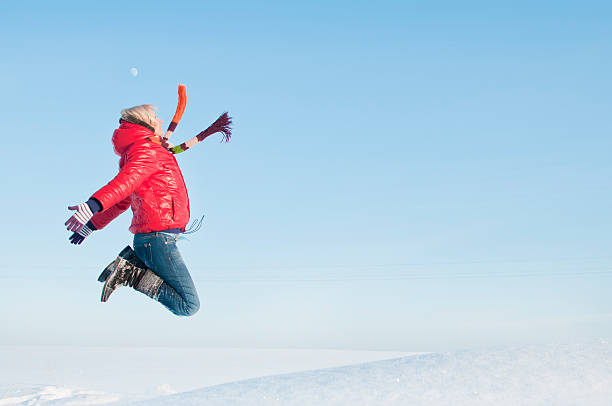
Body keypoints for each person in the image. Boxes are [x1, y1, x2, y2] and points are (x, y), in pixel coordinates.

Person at [65, 104, 200, 317]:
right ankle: (130, 273)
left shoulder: (144, 150)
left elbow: (122, 201)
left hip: (155, 239)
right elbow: (125, 182)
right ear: (146, 122)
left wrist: (90, 226)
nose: (161, 121)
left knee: (186, 304)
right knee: (188, 305)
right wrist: (93, 205)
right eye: (156, 117)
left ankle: (131, 268)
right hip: (157, 239)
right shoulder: (147, 150)